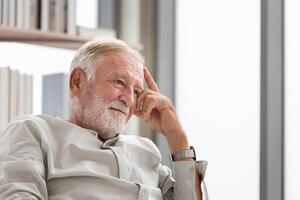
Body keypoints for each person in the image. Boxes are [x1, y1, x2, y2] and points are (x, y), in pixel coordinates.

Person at [0, 38, 208, 200]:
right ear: (77, 82)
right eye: (119, 82)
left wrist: (176, 136)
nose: (128, 99)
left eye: (137, 91)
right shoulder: (34, 132)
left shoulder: (146, 151)